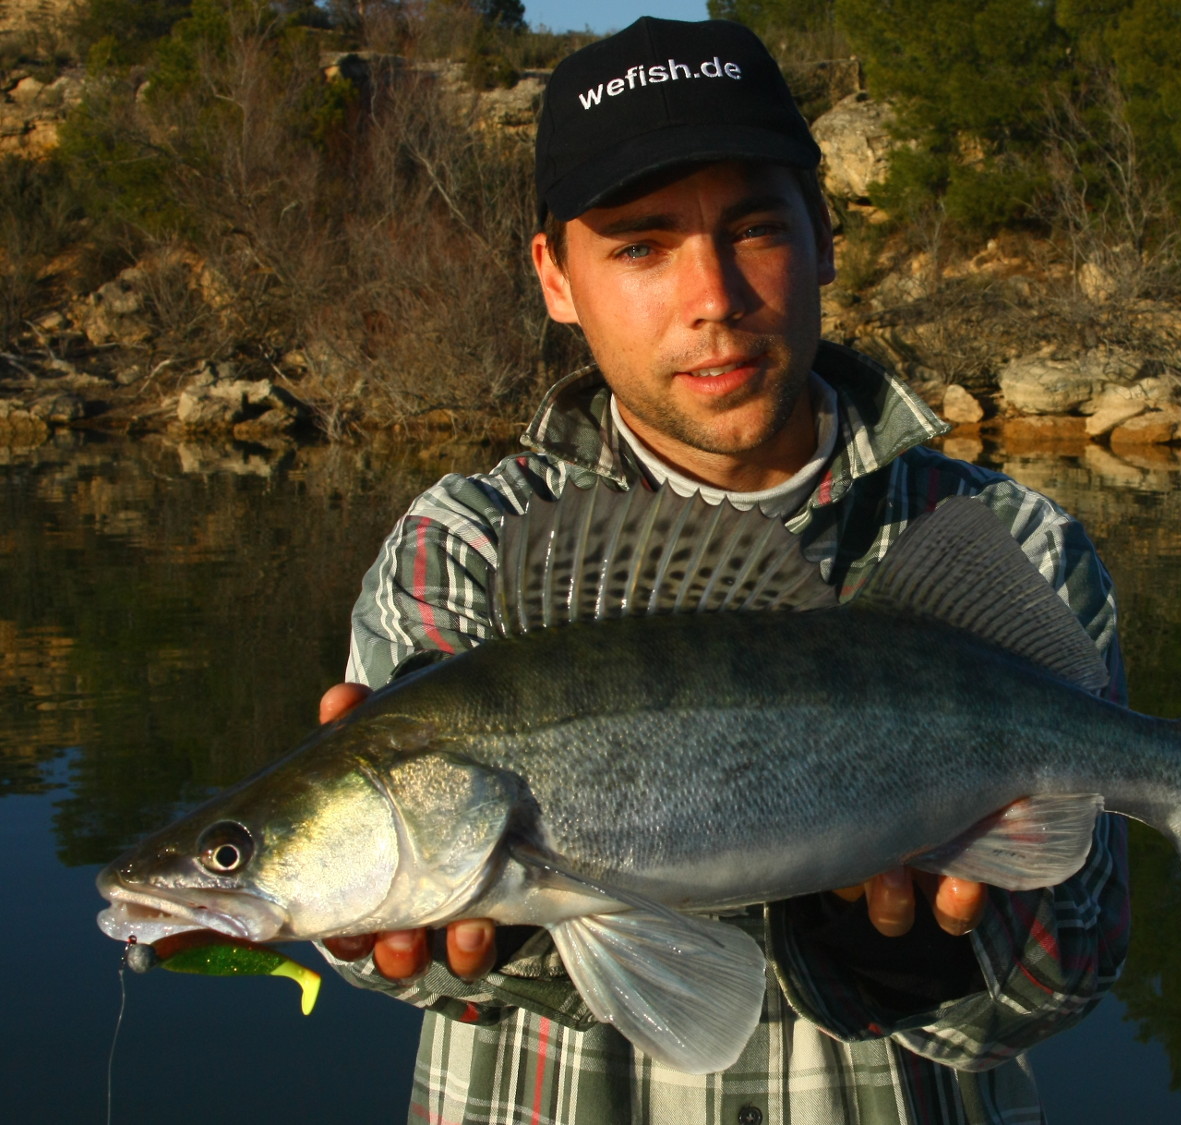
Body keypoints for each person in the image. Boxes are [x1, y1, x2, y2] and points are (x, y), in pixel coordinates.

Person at [318, 17, 1129, 1124]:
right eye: (642, 246)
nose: (712, 296)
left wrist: (915, 966)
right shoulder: (466, 544)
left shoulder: (1005, 541)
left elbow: (1071, 975)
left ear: (825, 237)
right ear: (556, 277)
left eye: (753, 229)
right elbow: (377, 942)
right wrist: (492, 940)